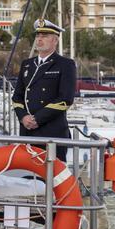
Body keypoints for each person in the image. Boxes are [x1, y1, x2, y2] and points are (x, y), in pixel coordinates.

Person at [11, 19, 76, 162]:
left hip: (52, 131)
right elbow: (17, 97)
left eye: (45, 36)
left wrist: (37, 119)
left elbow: (65, 99)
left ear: (55, 40)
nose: (39, 39)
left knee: (53, 178)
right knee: (28, 178)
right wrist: (23, 118)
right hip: (27, 131)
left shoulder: (65, 65)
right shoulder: (27, 65)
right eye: (38, 36)